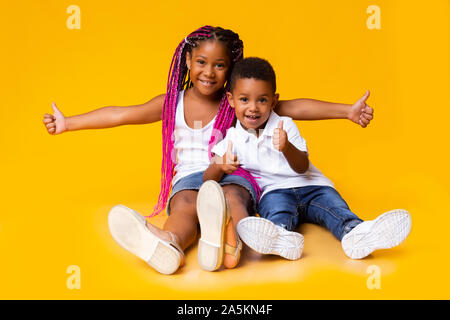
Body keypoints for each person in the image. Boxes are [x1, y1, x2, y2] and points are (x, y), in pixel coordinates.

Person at [43, 26, 374, 274]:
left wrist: (346, 111)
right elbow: (121, 114)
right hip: (190, 176)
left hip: (233, 171)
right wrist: (69, 122)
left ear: (231, 69)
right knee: (185, 205)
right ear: (187, 60)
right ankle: (169, 244)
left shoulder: (240, 101)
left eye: (219, 65)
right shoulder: (171, 103)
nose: (209, 72)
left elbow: (293, 107)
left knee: (232, 197)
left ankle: (235, 239)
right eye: (201, 62)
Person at [204, 57, 411, 262]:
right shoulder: (232, 137)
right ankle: (281, 238)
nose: (253, 108)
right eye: (244, 100)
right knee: (276, 215)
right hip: (274, 191)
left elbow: (302, 167)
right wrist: (220, 164)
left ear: (274, 101)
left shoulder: (285, 124)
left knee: (335, 209)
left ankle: (357, 232)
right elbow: (207, 178)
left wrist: (286, 147)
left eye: (262, 100)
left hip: (314, 187)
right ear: (231, 100)